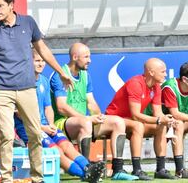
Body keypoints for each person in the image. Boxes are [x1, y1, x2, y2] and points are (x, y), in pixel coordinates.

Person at [0, 0, 73, 183]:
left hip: (27, 89)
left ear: (11, 5)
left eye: (0, 6)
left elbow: (43, 49)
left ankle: (37, 179)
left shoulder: (28, 23)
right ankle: (6, 179)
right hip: (1, 90)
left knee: (35, 134)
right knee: (6, 134)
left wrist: (61, 72)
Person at [14, 49, 104, 183]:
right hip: (31, 130)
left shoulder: (43, 81)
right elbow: (20, 113)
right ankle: (84, 174)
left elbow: (48, 107)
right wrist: (42, 128)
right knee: (56, 151)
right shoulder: (20, 82)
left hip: (46, 126)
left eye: (43, 61)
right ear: (28, 62)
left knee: (67, 146)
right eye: (37, 61)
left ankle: (88, 167)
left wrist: (50, 124)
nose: (41, 64)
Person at [50, 43, 136, 180]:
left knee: (118, 122)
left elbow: (91, 101)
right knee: (85, 122)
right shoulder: (60, 75)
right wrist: (88, 119)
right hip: (62, 123)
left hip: (84, 121)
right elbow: (61, 107)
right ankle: (87, 171)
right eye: (86, 57)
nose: (90, 60)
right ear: (74, 57)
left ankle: (117, 170)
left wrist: (98, 116)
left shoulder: (85, 75)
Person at [106, 58, 176, 180]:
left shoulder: (157, 87)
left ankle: (161, 169)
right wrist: (159, 120)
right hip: (114, 119)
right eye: (163, 71)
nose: (165, 74)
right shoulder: (136, 83)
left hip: (130, 121)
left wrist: (166, 119)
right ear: (151, 72)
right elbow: (135, 115)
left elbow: (157, 113)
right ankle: (137, 170)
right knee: (139, 125)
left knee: (161, 126)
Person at [160, 62, 188, 178]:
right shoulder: (170, 86)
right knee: (179, 124)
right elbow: (175, 113)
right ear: (185, 79)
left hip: (178, 121)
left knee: (180, 123)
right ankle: (180, 169)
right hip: (159, 120)